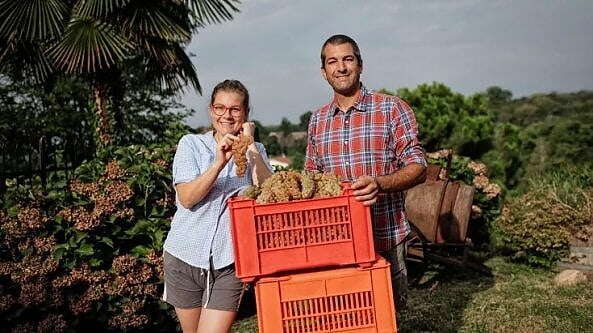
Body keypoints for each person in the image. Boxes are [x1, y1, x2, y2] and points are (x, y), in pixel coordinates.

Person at [304, 34, 427, 313]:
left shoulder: (391, 108)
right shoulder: (318, 120)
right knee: (346, 316)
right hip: (336, 242)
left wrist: (380, 184)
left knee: (387, 316)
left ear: (360, 65)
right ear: (324, 72)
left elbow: (418, 165)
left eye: (348, 59)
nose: (341, 67)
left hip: (384, 235)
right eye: (332, 62)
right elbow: (310, 178)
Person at [163, 79, 273, 333]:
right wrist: (218, 163)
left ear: (245, 113)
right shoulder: (191, 144)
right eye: (220, 108)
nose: (227, 115)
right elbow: (188, 198)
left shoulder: (257, 150)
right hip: (184, 256)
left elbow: (268, 192)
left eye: (235, 109)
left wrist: (251, 146)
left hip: (229, 262)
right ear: (212, 110)